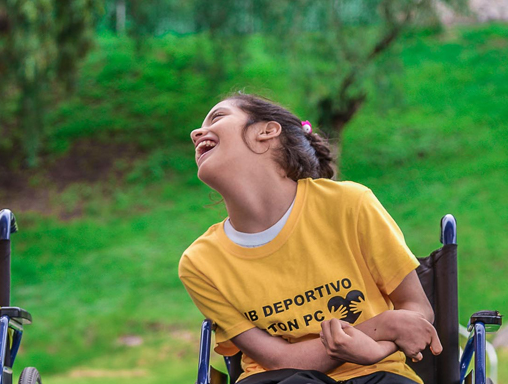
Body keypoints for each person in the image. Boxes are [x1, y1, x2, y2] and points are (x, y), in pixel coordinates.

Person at [178, 93, 442, 384]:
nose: (195, 133)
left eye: (217, 116)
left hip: (380, 375)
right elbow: (280, 360)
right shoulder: (200, 262)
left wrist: (377, 350)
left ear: (266, 131)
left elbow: (417, 307)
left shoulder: (349, 205)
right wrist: (380, 328)